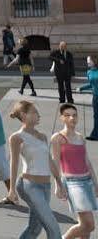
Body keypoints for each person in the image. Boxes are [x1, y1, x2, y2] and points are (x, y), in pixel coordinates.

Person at [6, 100, 65, 239]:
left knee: (34, 229)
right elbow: (14, 164)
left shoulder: (43, 137)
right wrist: (12, 189)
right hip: (29, 186)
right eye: (34, 112)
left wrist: (59, 183)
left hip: (45, 186)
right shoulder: (16, 138)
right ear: (23, 115)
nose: (39, 115)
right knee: (53, 228)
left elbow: (49, 162)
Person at [52, 102, 98, 239]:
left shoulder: (80, 137)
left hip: (87, 181)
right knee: (89, 225)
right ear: (62, 118)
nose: (72, 118)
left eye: (74, 115)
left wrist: (95, 183)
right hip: (72, 183)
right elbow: (55, 162)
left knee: (85, 227)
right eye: (68, 115)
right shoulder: (58, 138)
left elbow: (87, 161)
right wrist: (58, 185)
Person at [81, 55, 98, 141]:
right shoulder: (89, 72)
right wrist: (81, 88)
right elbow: (91, 85)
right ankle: (95, 135)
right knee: (96, 116)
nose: (87, 62)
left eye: (89, 60)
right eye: (87, 60)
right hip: (95, 97)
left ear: (94, 61)